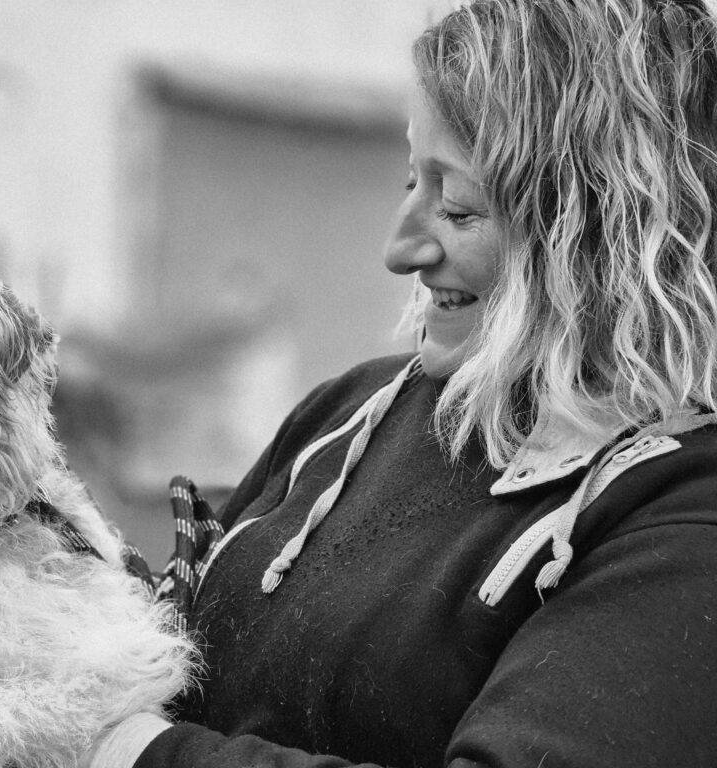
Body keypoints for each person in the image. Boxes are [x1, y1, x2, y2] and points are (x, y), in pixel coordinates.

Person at [85, 0, 717, 765]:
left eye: (457, 207)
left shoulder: (681, 518)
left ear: (603, 230)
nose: (400, 248)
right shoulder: (347, 415)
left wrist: (127, 750)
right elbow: (165, 654)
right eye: (409, 181)